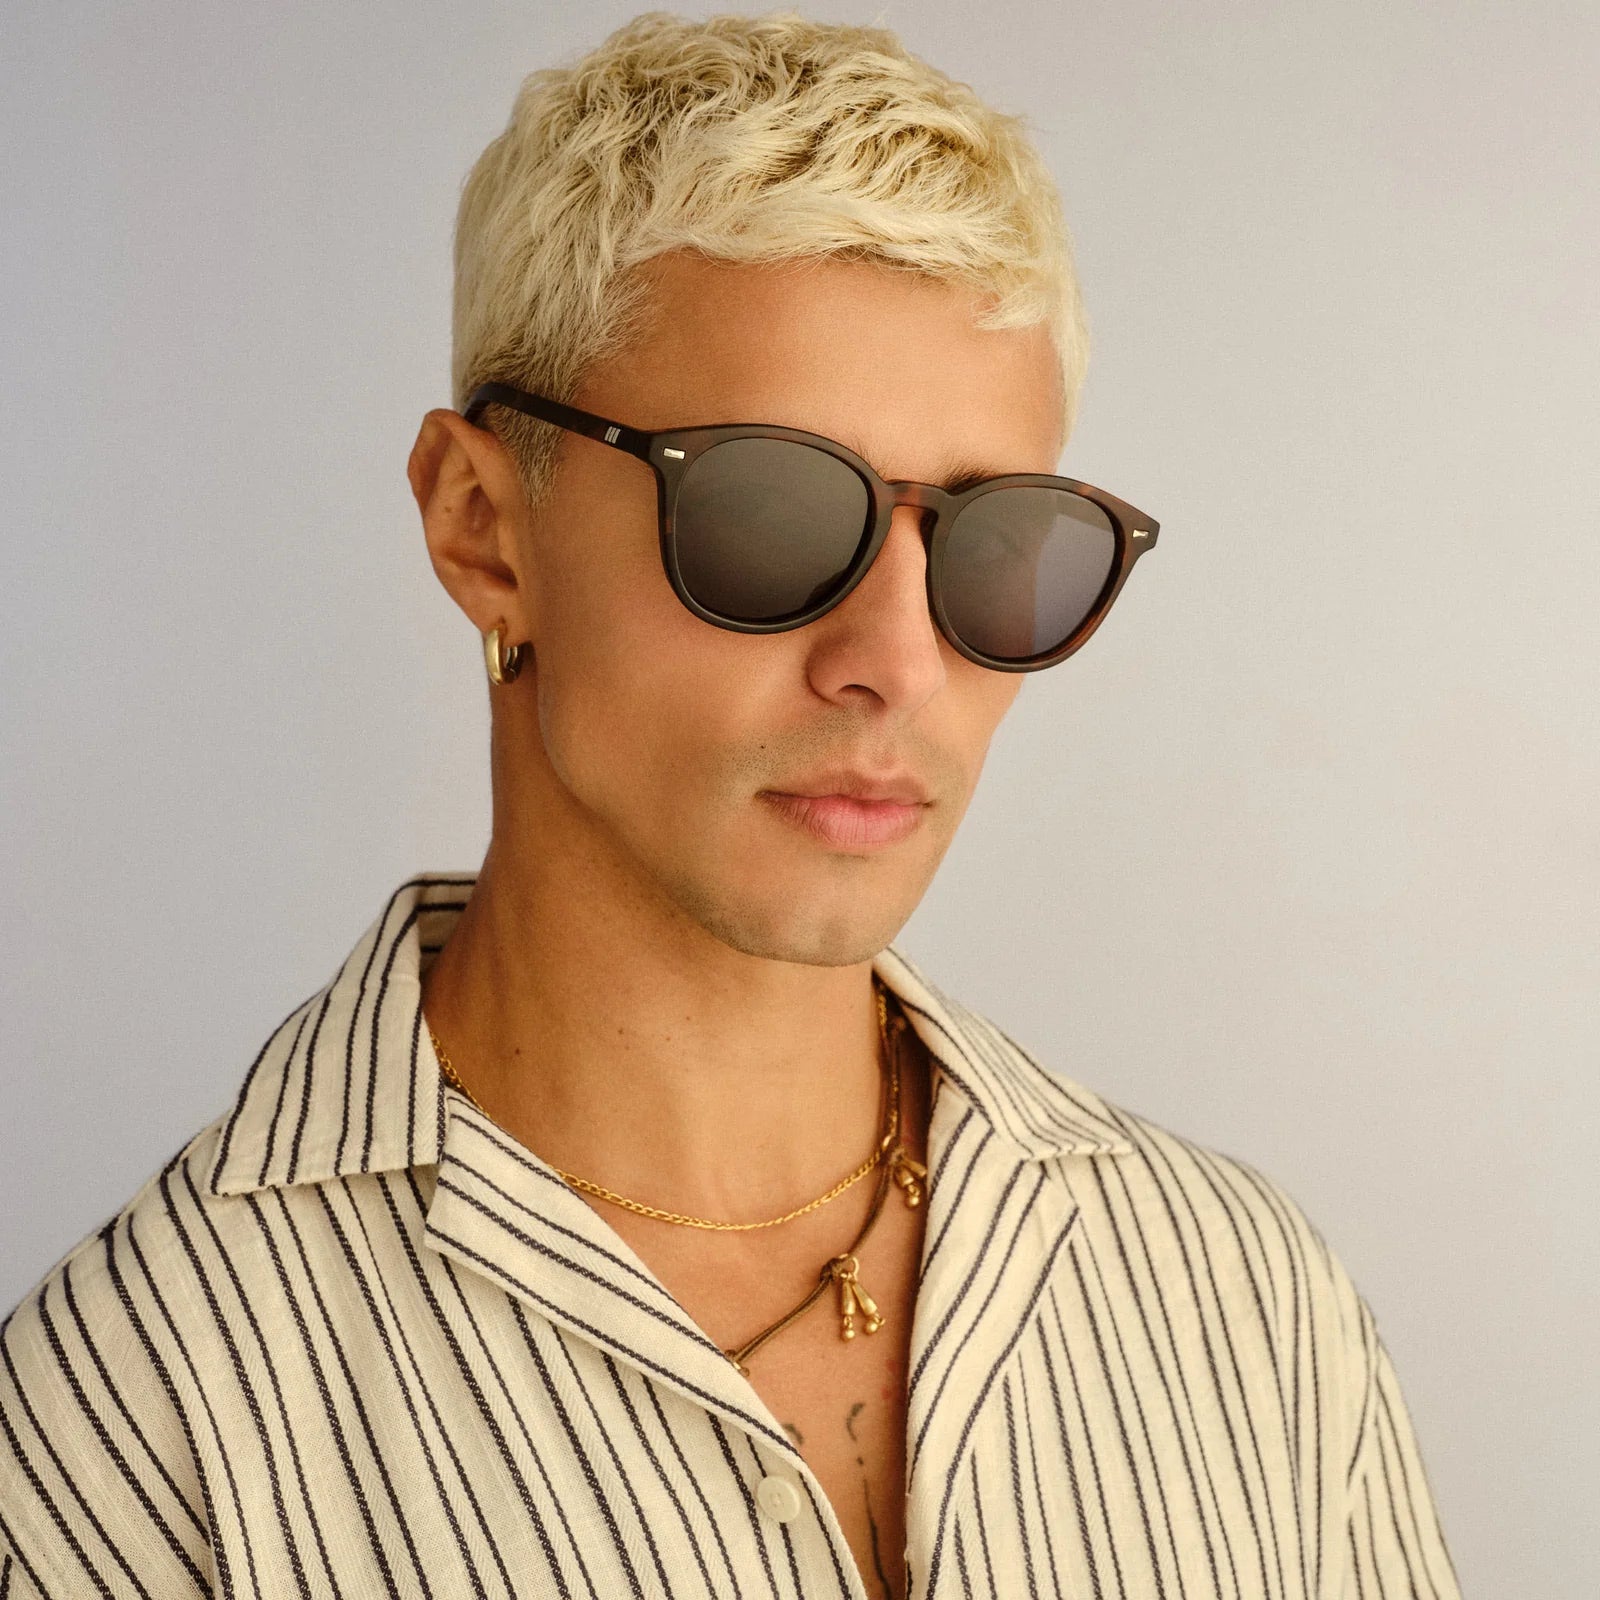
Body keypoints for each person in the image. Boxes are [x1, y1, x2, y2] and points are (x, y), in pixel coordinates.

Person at [0, 12, 1461, 1599]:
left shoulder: (1251, 1308)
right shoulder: (132, 1426)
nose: (896, 663)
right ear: (484, 527)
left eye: (996, 546)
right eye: (770, 515)